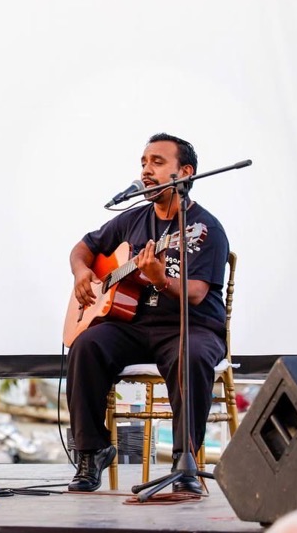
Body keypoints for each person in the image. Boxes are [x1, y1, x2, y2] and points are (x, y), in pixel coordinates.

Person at [66, 133, 229, 494]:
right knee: (86, 346)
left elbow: (197, 293)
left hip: (190, 327)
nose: (146, 170)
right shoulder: (131, 220)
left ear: (184, 173)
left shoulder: (204, 229)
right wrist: (82, 273)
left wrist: (161, 279)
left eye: (157, 162)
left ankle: (184, 461)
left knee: (191, 355)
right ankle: (92, 451)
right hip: (135, 326)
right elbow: (83, 248)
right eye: (143, 162)